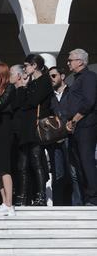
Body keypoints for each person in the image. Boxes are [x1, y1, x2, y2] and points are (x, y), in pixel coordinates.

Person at [13, 54, 53, 206]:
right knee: (22, 164)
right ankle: (22, 197)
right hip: (25, 128)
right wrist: (23, 86)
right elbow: (19, 103)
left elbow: (32, 102)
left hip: (35, 128)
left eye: (26, 66)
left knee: (36, 161)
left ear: (34, 65)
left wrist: (26, 91)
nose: (25, 69)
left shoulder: (44, 81)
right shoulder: (29, 83)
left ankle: (41, 196)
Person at [65, 48, 97, 206]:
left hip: (86, 125)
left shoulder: (89, 77)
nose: (68, 63)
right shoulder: (77, 79)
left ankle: (93, 198)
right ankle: (86, 197)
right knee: (78, 163)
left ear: (80, 61)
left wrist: (75, 119)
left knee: (86, 160)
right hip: (76, 126)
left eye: (70, 60)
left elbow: (89, 101)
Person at [49, 66, 82, 205]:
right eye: (49, 76)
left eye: (53, 76)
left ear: (62, 76)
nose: (51, 79)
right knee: (58, 173)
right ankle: (59, 205)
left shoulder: (72, 91)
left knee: (73, 172)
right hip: (55, 138)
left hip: (71, 136)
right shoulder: (50, 96)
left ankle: (78, 203)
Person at [0, 63, 17, 216]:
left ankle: (9, 203)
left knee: (4, 167)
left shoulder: (9, 88)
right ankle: (4, 201)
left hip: (5, 130)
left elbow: (1, 104)